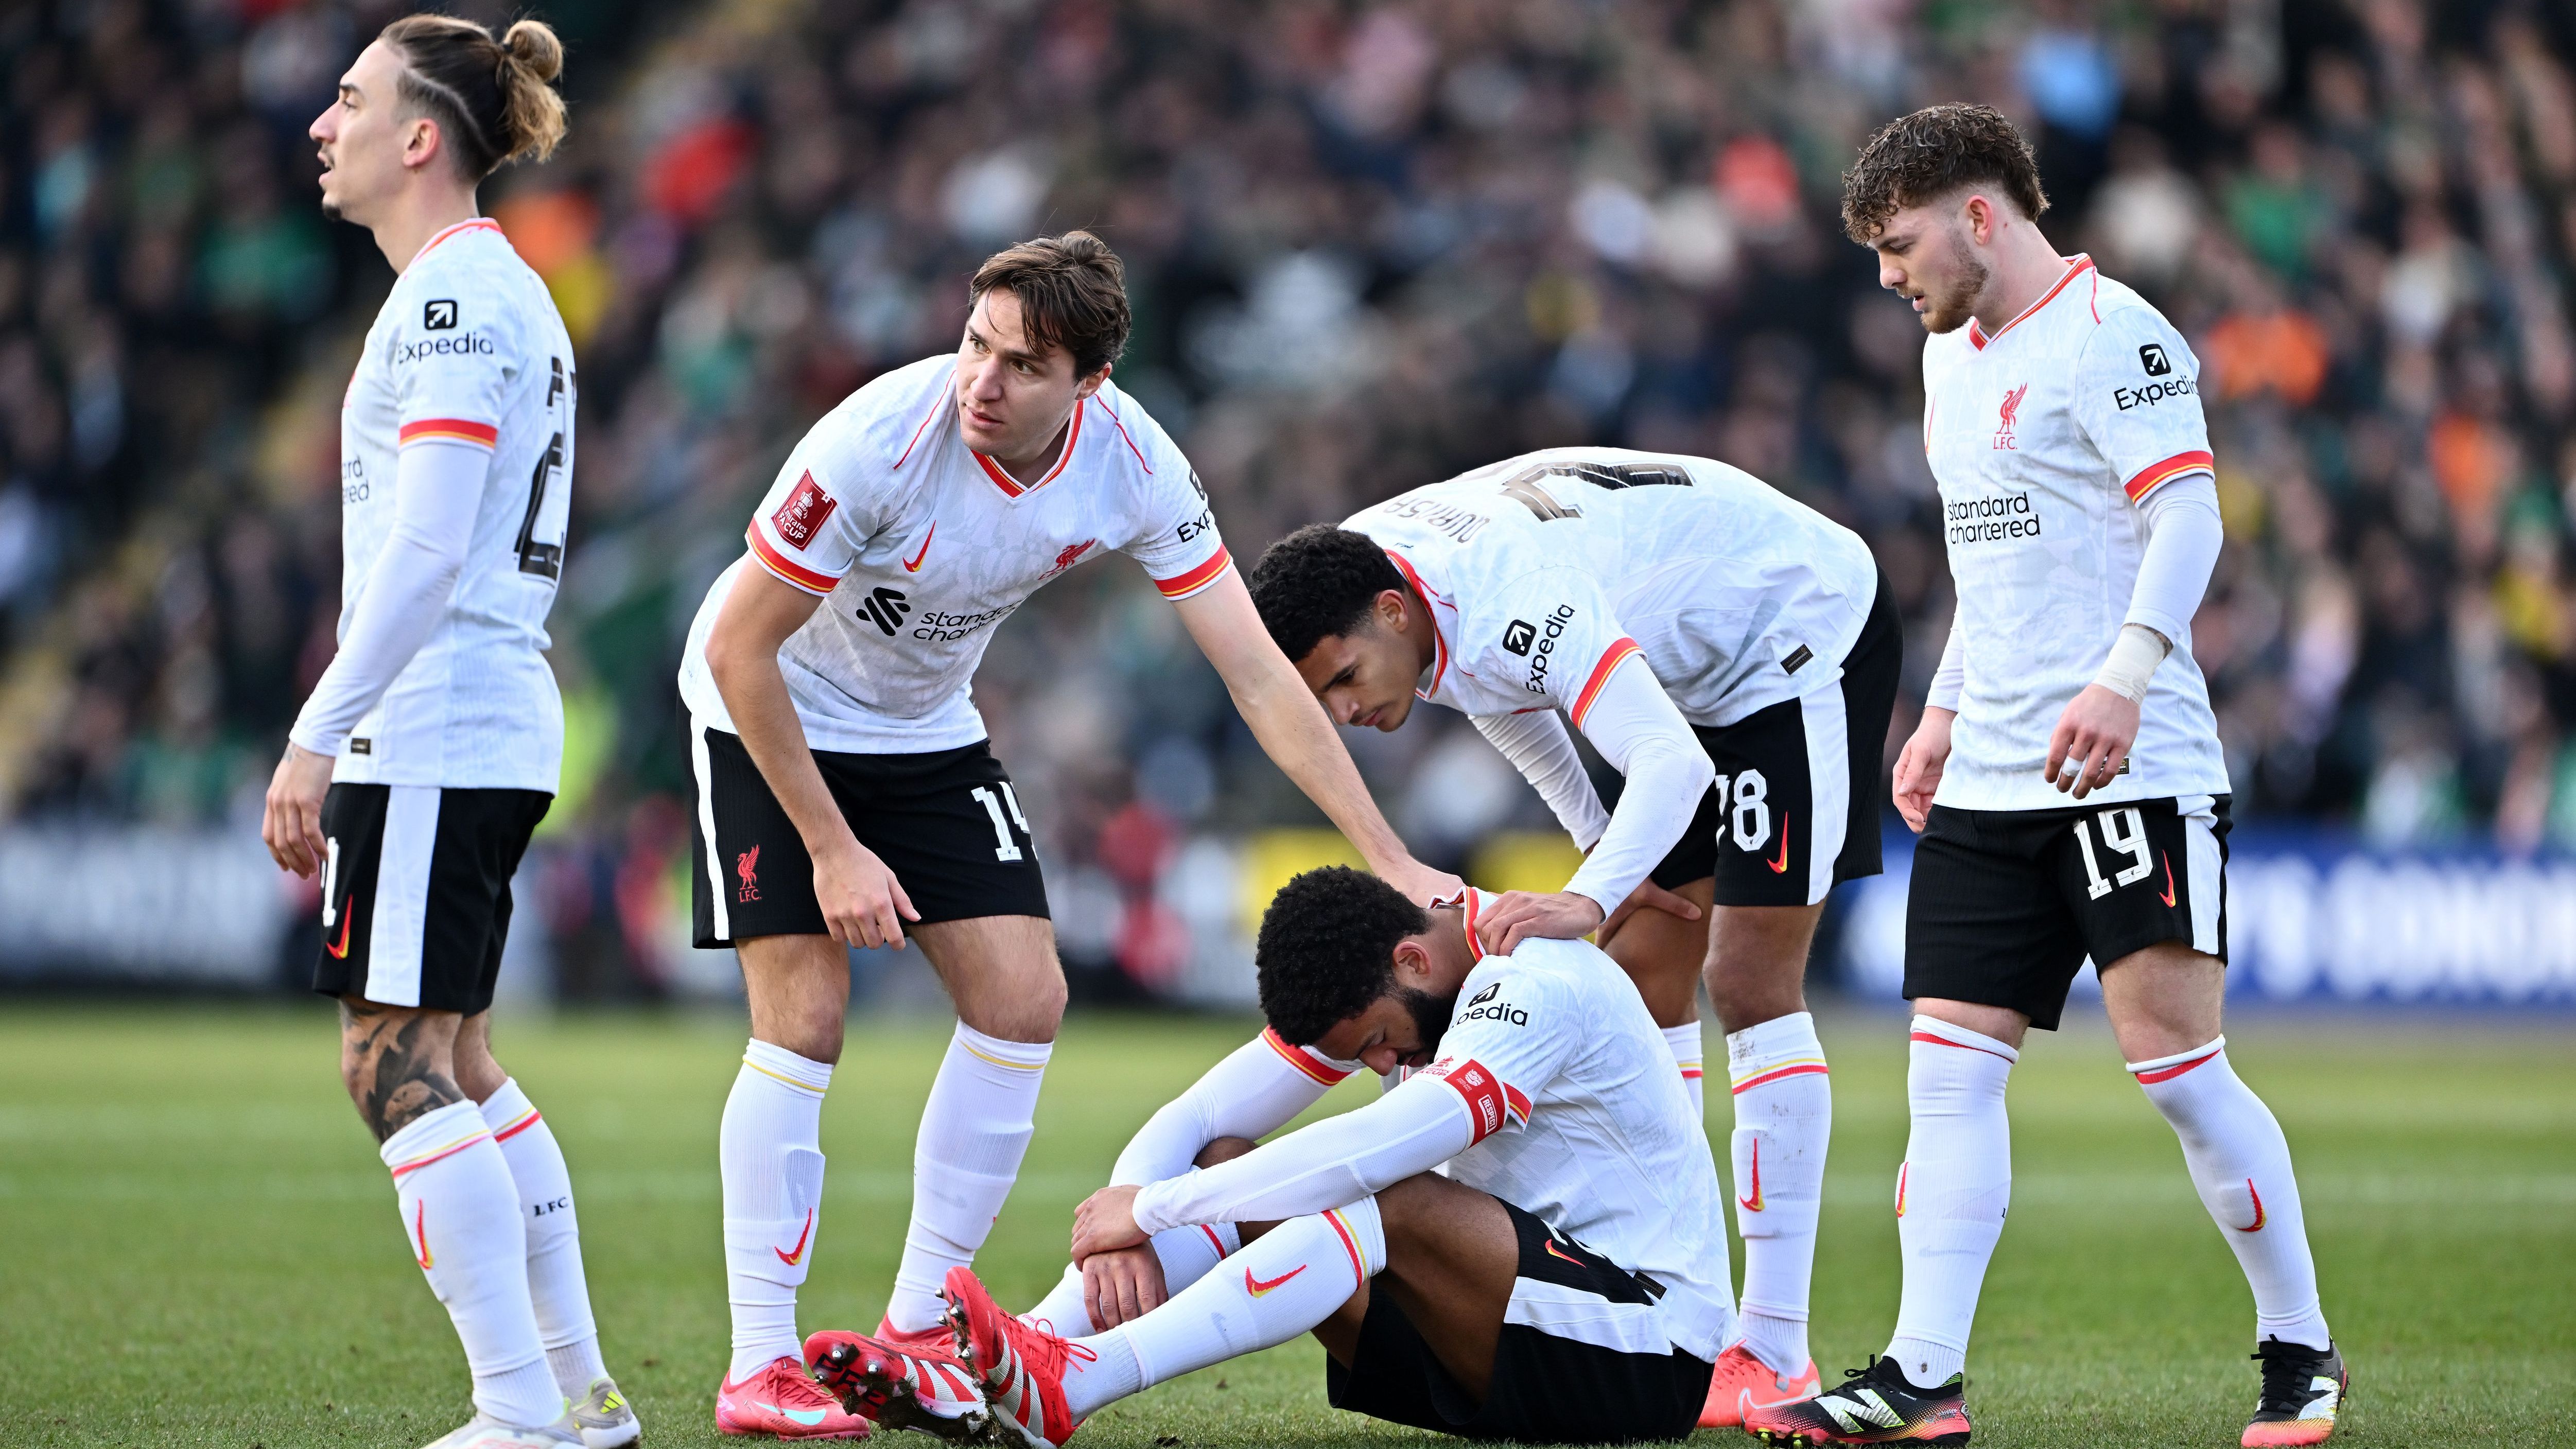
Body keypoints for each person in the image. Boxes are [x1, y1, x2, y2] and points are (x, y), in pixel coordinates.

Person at [680, 232, 1461, 1438]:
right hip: (769, 708)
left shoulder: (1136, 463)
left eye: (1023, 365)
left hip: (925, 729)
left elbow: (1257, 675)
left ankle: (919, 1323)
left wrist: (1391, 854)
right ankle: (759, 1362)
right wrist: (834, 848)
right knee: (807, 1017)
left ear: (1089, 387)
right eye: (975, 344)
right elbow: (742, 646)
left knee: (1023, 998)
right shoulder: (877, 443)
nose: (981, 382)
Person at [1745, 106, 2345, 1449]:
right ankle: (1919, 1376)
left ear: (1976, 216)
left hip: (2131, 768)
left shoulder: (2112, 336)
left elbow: (2184, 514)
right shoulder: (1946, 362)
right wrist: (1945, 711)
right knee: (1948, 1077)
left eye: (1898, 247)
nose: (1887, 278)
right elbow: (1995, 567)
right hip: (1991, 781)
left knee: (2179, 1073)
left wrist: (2123, 678)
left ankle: (2298, 1347)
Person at [1246, 447, 1904, 1423]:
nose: (1344, 715)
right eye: (1321, 702)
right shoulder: (1392, 585)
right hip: (1678, 661)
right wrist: (1604, 851)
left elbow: (1668, 765)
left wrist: (1590, 896)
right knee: (1644, 976)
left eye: (1345, 681)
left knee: (1751, 975)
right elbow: (1506, 697)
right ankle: (1682, 1290)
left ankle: (1771, 1347)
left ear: (1392, 615)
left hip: (1789, 634)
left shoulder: (1502, 593)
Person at [259, 18, 636, 1449]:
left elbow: (424, 553)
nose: (321, 123)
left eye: (349, 100)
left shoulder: (451, 305)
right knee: (460, 1060)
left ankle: (518, 1413)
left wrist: (316, 733)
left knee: (389, 1063)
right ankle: (579, 1400)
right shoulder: (481, 292)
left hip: (436, 726)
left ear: (420, 138)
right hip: (475, 722)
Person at [806, 867, 1734, 1448]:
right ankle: (1001, 1368)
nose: (1377, 1064)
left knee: (1388, 1195)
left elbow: (1396, 1143)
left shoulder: (1534, 976)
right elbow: (1202, 1113)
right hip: (1509, 1344)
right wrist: (1137, 1209)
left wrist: (1163, 1210)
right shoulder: (1407, 984)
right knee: (1232, 1159)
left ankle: (1074, 1382)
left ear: (1413, 959)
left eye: (1373, 1041)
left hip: (1646, 1353)